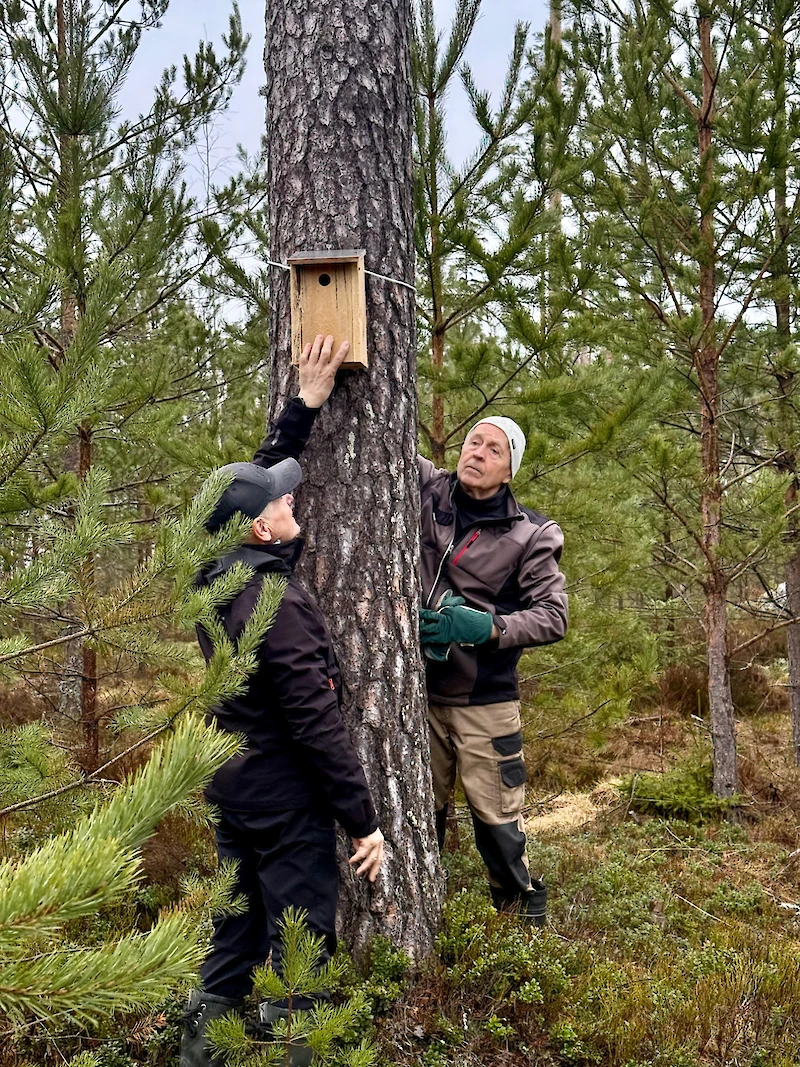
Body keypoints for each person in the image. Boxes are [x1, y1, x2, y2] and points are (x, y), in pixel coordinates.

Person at [181, 336, 384, 1067]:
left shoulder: (214, 576)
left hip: (234, 788)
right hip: (287, 801)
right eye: (283, 499)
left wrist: (303, 405)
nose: (292, 492)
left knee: (234, 933)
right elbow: (315, 721)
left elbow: (246, 489)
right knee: (298, 951)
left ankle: (201, 1052)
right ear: (263, 528)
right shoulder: (277, 603)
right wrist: (363, 819)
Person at [418, 417, 567, 926]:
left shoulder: (531, 534)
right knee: (420, 816)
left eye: (494, 450)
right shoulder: (426, 489)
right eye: (473, 442)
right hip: (415, 695)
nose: (477, 453)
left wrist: (487, 626)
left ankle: (521, 929)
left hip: (485, 700)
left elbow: (553, 615)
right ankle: (421, 918)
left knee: (497, 824)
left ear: (509, 471)